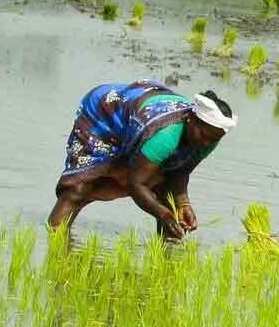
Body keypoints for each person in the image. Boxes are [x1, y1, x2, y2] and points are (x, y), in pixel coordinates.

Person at [49, 79, 236, 240]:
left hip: (142, 111)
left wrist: (182, 204)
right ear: (191, 119)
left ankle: (167, 255)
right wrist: (164, 215)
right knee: (79, 187)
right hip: (106, 111)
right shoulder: (166, 136)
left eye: (214, 139)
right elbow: (136, 183)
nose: (206, 142)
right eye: (203, 134)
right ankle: (56, 236)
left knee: (166, 197)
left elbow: (180, 170)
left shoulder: (208, 138)